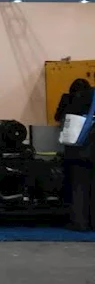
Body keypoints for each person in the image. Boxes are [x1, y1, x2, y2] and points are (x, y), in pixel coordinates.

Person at [55, 79, 95, 230]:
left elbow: (63, 117)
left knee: (79, 186)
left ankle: (80, 222)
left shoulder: (82, 97)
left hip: (82, 149)